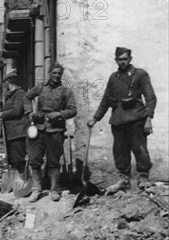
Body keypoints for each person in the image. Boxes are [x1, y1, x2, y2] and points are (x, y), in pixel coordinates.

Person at [87, 47, 157, 192]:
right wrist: (95, 118)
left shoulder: (140, 75)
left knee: (140, 149)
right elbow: (106, 99)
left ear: (130, 59)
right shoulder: (114, 77)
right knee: (120, 151)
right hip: (118, 120)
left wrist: (148, 118)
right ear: (116, 60)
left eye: (125, 59)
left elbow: (150, 98)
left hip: (137, 118)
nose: (122, 62)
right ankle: (123, 180)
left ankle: (143, 178)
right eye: (120, 60)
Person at [24, 63, 77, 202]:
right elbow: (27, 97)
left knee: (54, 161)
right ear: (49, 73)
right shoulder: (40, 87)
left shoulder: (66, 92)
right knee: (35, 159)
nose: (57, 76)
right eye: (54, 73)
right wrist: (30, 113)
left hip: (56, 130)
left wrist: (59, 114)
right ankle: (37, 188)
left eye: (59, 73)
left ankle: (54, 189)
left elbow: (73, 110)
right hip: (39, 128)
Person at [0, 70, 30, 180]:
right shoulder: (10, 96)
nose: (4, 86)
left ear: (9, 82)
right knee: (13, 160)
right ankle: (16, 181)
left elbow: (16, 111)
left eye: (5, 84)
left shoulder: (20, 94)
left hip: (18, 132)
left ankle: (24, 180)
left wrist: (2, 114)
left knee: (19, 159)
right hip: (11, 133)